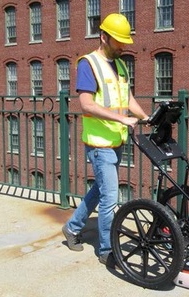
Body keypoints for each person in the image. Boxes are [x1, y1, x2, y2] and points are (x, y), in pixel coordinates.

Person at [62, 13, 148, 266]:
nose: (123, 46)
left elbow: (127, 98)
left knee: (100, 190)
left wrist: (146, 117)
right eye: (119, 41)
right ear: (103, 36)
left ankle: (72, 228)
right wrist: (121, 120)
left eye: (125, 42)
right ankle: (107, 250)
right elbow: (86, 104)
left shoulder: (120, 65)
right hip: (99, 143)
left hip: (116, 140)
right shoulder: (88, 64)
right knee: (111, 196)